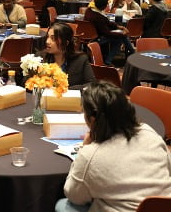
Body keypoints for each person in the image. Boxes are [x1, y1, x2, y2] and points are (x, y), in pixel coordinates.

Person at [55, 81, 171, 212]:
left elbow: (74, 195)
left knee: (63, 206)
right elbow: (168, 166)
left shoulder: (90, 155)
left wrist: (84, 148)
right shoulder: (148, 132)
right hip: (163, 207)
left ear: (92, 119)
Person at [40, 23, 95, 90]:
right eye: (47, 37)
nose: (47, 41)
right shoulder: (41, 58)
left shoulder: (81, 60)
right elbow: (26, 82)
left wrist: (67, 90)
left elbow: (91, 84)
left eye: (53, 39)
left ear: (66, 43)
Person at [84, 0, 135, 65]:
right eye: (107, 3)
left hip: (91, 35)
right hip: (96, 38)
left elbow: (107, 23)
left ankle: (133, 53)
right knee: (120, 37)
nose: (108, 5)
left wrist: (119, 27)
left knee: (121, 36)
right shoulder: (98, 17)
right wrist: (121, 33)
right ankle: (109, 61)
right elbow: (106, 33)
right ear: (103, 6)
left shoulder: (90, 10)